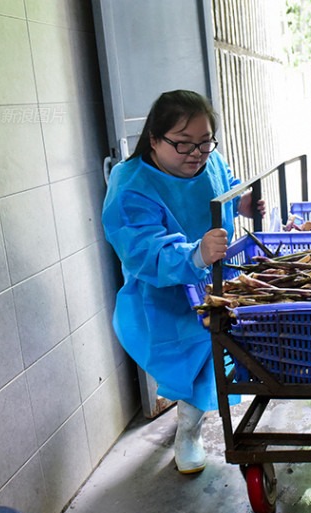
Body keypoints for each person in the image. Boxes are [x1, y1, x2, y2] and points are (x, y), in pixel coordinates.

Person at [101, 90, 264, 475]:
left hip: (213, 282)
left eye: (206, 142)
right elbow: (142, 250)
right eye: (183, 144)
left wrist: (241, 202)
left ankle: (191, 425)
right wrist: (193, 255)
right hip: (164, 296)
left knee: (215, 356)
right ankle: (186, 436)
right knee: (189, 368)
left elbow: (226, 181)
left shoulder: (207, 159)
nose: (197, 153)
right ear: (154, 140)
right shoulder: (131, 185)